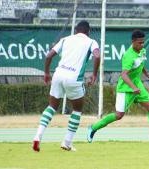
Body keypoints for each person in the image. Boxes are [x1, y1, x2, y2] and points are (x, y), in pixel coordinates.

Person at [32, 20, 100, 152]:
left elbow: (49, 56)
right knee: (77, 109)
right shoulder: (91, 42)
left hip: (58, 75)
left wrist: (46, 73)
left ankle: (37, 136)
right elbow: (97, 56)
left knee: (52, 106)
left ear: (75, 31)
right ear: (88, 31)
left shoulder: (65, 39)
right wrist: (94, 75)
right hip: (74, 78)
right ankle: (67, 142)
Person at [87, 30, 149, 143]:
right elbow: (124, 75)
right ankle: (93, 128)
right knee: (119, 115)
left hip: (137, 85)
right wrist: (133, 88)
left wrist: (146, 74)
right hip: (125, 88)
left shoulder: (142, 50)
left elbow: (141, 63)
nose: (142, 45)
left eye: (143, 42)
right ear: (133, 42)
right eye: (140, 43)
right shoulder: (128, 55)